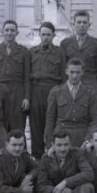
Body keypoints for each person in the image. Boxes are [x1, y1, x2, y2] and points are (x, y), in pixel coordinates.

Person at [28, 21, 66, 160]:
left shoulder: (59, 52)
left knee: (52, 123)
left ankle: (53, 155)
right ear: (39, 35)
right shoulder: (32, 52)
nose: (45, 37)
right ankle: (38, 158)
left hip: (53, 89)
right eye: (43, 34)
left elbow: (64, 75)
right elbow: (27, 76)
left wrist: (62, 95)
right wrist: (28, 96)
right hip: (36, 90)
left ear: (53, 35)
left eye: (48, 35)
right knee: (36, 125)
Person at [44, 58, 97, 147]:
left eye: (78, 72)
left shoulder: (90, 92)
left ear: (82, 72)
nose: (74, 76)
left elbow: (96, 119)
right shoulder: (56, 92)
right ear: (66, 71)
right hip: (61, 136)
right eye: (72, 72)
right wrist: (49, 141)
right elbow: (50, 119)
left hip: (82, 136)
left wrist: (88, 139)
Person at [0, 20, 30, 133]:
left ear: (17, 33)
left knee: (18, 126)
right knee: (0, 125)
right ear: (2, 32)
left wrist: (26, 97)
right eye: (7, 30)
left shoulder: (24, 52)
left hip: (17, 92)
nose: (9, 33)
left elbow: (27, 77)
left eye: (12, 30)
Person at [60, 10, 97, 93]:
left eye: (84, 22)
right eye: (79, 22)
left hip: (90, 86)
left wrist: (96, 87)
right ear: (73, 24)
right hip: (71, 85)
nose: (82, 25)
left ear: (89, 25)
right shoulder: (65, 43)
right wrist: (66, 85)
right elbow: (63, 68)